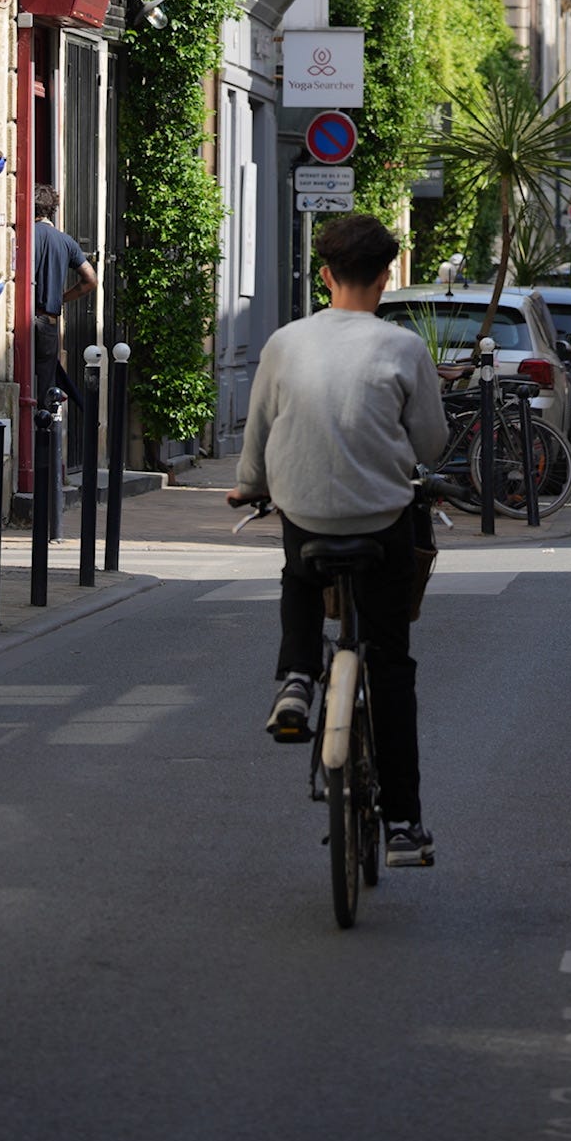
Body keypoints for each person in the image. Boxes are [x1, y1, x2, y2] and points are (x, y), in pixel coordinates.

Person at [229, 213, 448, 869]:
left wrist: (250, 486)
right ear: (386, 278)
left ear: (324, 276)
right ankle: (403, 824)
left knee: (299, 573)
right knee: (392, 666)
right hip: (380, 522)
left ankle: (297, 677)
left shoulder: (284, 343)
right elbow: (430, 442)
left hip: (306, 515)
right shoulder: (403, 348)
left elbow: (259, 432)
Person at [32, 184, 97, 412]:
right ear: (52, 210)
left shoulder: (26, 235)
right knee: (45, 391)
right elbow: (91, 280)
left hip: (21, 321)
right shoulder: (66, 241)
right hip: (48, 323)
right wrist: (61, 298)